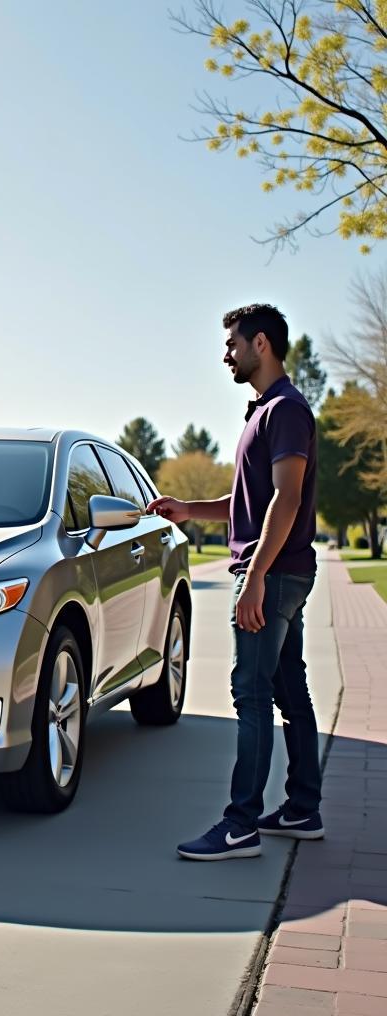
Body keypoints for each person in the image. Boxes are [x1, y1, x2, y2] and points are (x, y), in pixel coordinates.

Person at [148, 304, 323, 861]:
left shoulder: (286, 410)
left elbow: (287, 500)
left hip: (272, 576)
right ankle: (301, 809)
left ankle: (241, 824)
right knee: (288, 689)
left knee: (251, 694)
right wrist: (187, 509)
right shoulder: (266, 412)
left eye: (233, 344)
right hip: (280, 573)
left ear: (261, 344)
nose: (227, 354)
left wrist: (256, 578)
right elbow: (248, 504)